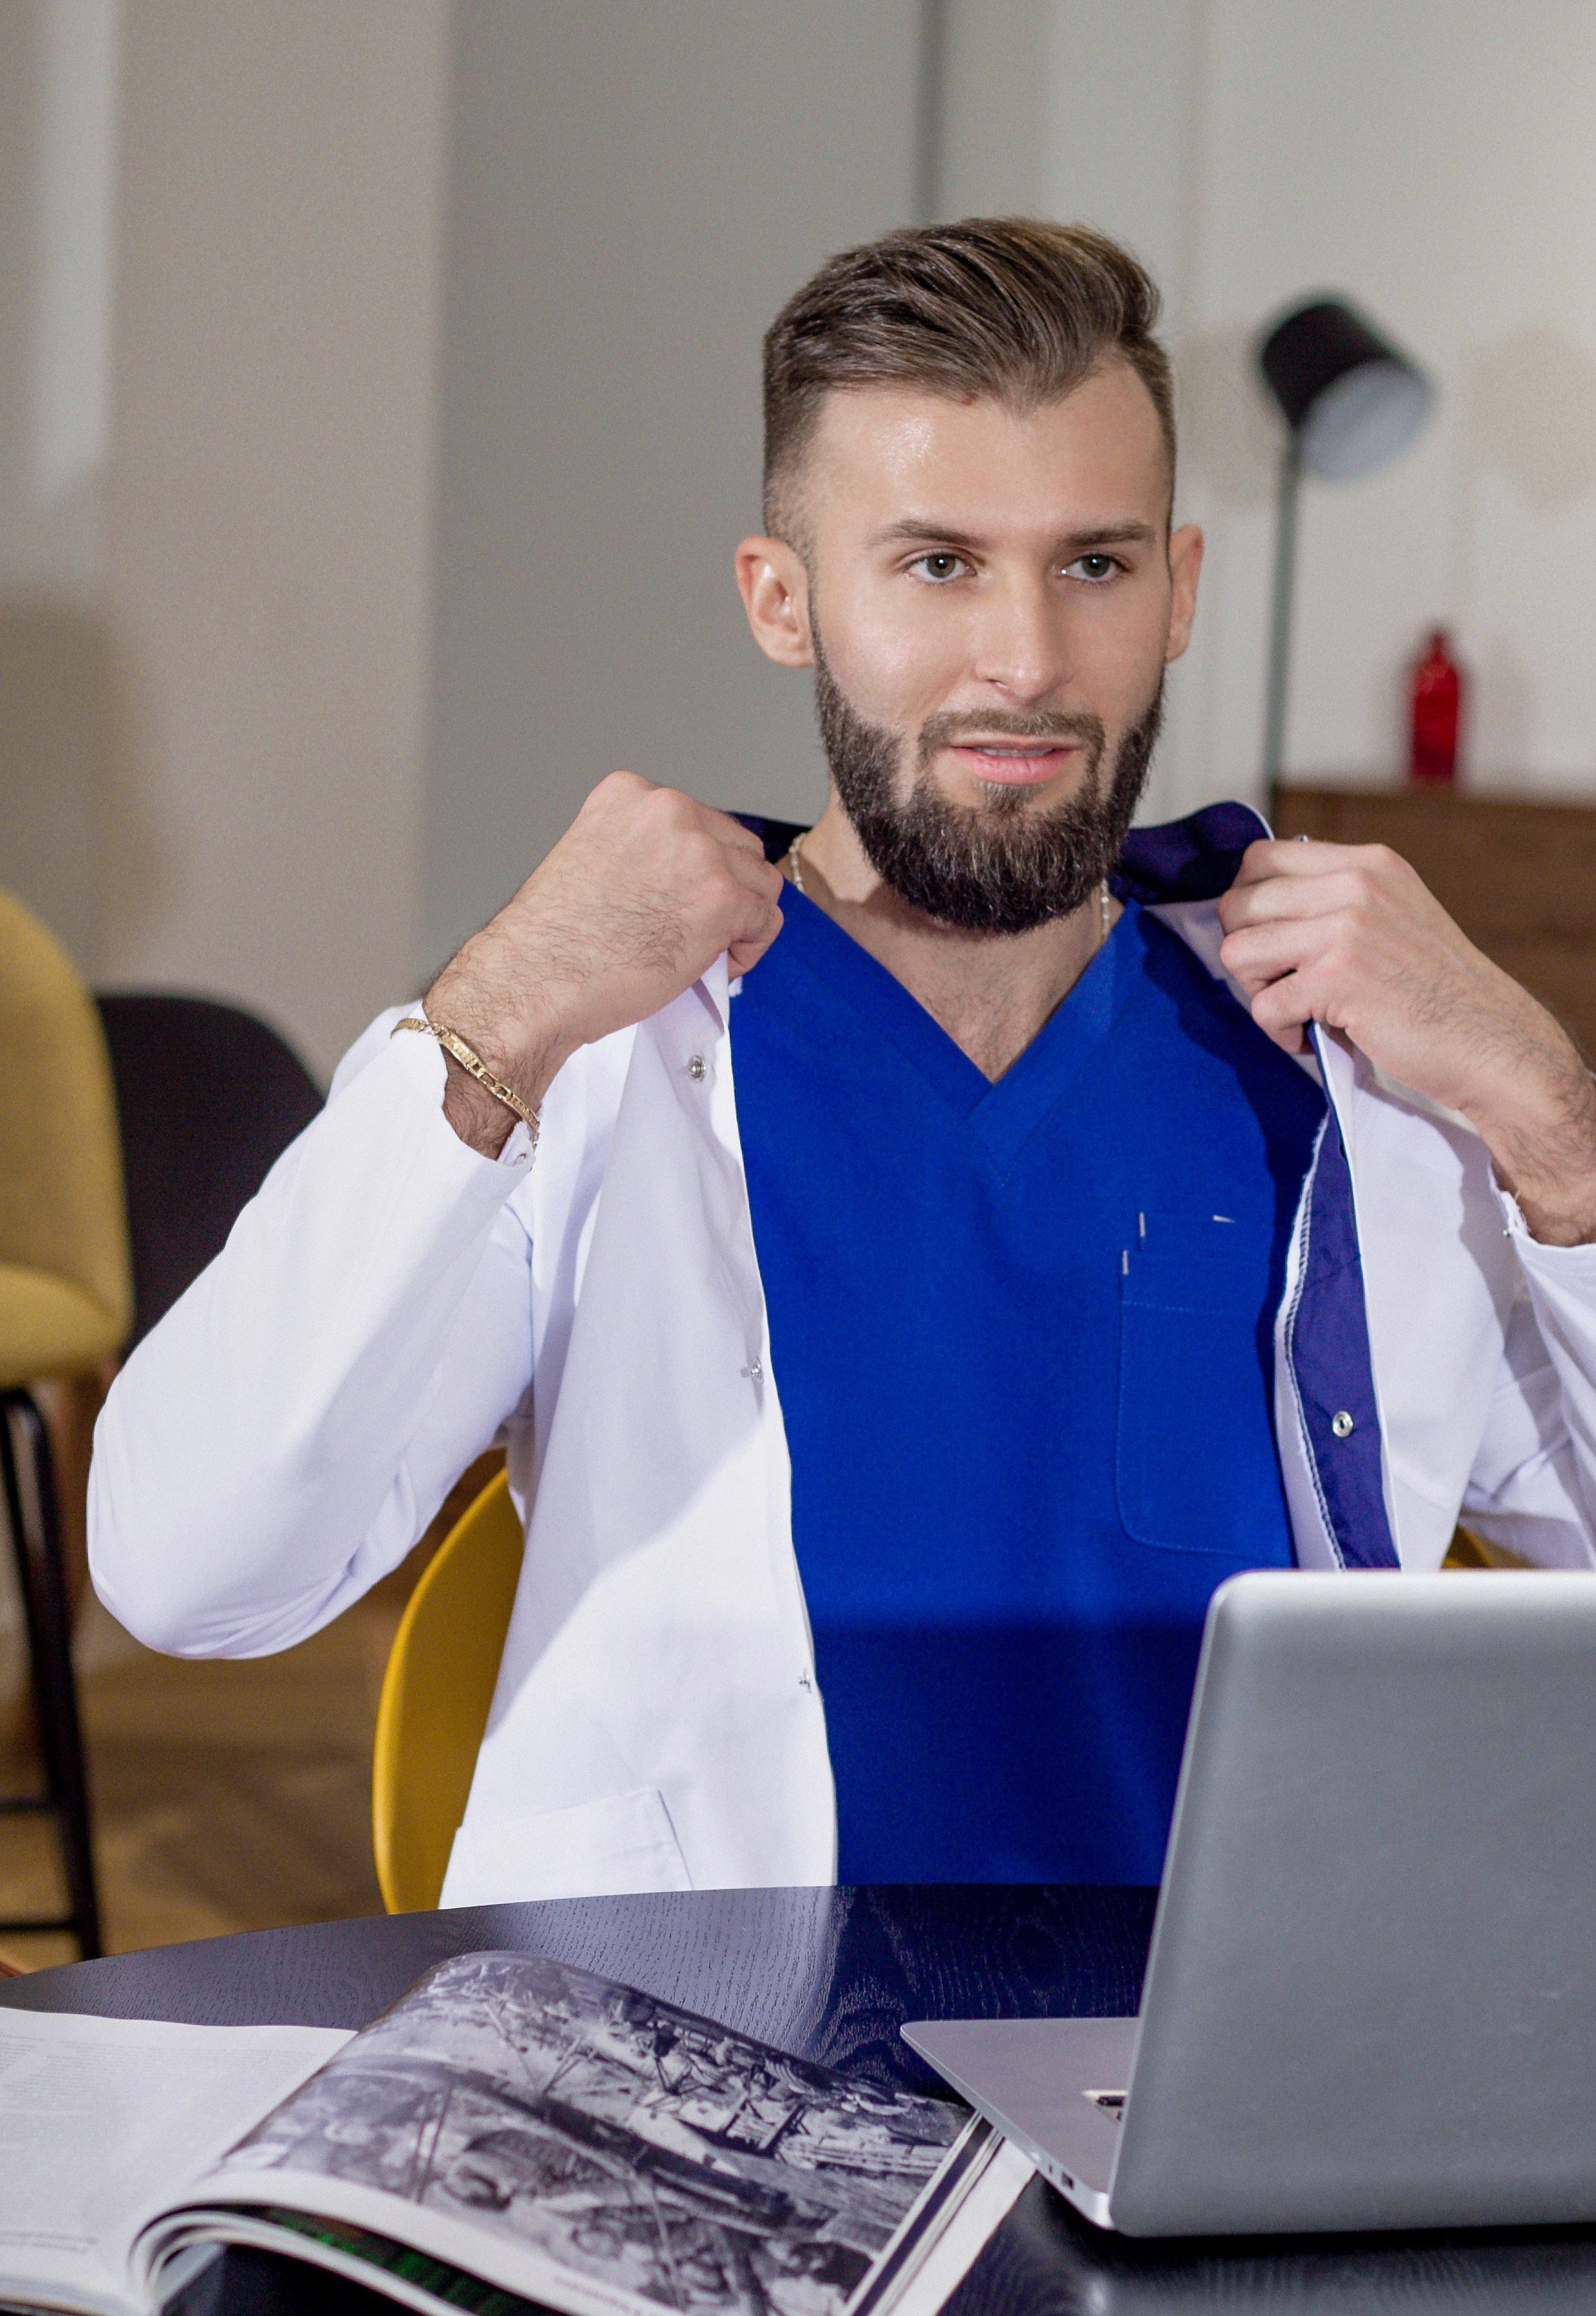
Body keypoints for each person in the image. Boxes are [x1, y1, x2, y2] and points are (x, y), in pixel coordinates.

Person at [89, 220, 1596, 1904]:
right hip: (707, 2041)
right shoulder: (593, 1064)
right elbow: (188, 1570)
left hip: (1220, 2038)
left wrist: (1551, 1117)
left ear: (1179, 589)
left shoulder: (1338, 1082)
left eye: (1092, 566)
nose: (1026, 659)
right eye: (938, 565)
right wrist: (496, 1010)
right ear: (783, 599)